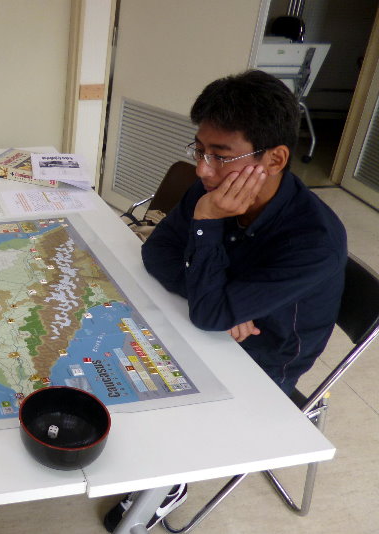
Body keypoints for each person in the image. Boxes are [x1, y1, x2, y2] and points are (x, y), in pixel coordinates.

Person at [104, 70, 347, 532]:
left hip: (264, 357)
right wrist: (216, 298)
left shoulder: (314, 240)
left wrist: (207, 236)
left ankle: (169, 482)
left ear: (275, 158)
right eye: (199, 150)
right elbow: (157, 254)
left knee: (151, 400)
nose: (203, 169)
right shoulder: (214, 188)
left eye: (220, 155)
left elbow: (210, 312)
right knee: (108, 345)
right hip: (216, 324)